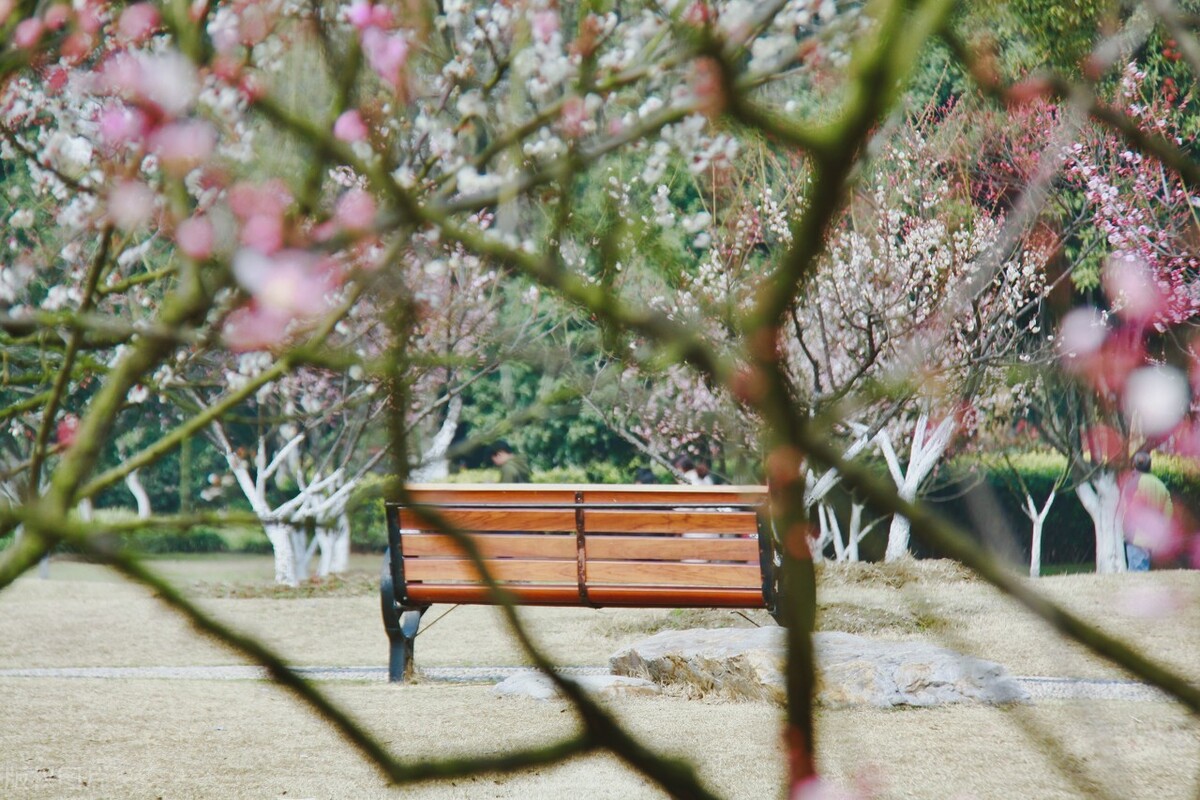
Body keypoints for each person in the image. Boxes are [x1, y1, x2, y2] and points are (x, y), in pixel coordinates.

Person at [1123, 450, 1172, 572]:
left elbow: (1127, 509)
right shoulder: (1160, 485)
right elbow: (1168, 513)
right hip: (1153, 538)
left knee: (1137, 573)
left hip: (1136, 537)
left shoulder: (1133, 483)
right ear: (1150, 466)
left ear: (1134, 465)